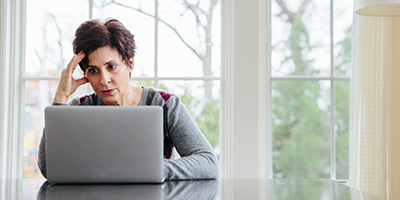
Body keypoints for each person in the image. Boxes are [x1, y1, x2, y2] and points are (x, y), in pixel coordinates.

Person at [37, 18, 219, 180]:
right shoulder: (78, 108)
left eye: (112, 66)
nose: (104, 80)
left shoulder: (165, 104)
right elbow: (49, 168)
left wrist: (154, 169)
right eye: (93, 70)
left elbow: (208, 162)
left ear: (130, 63)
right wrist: (60, 98)